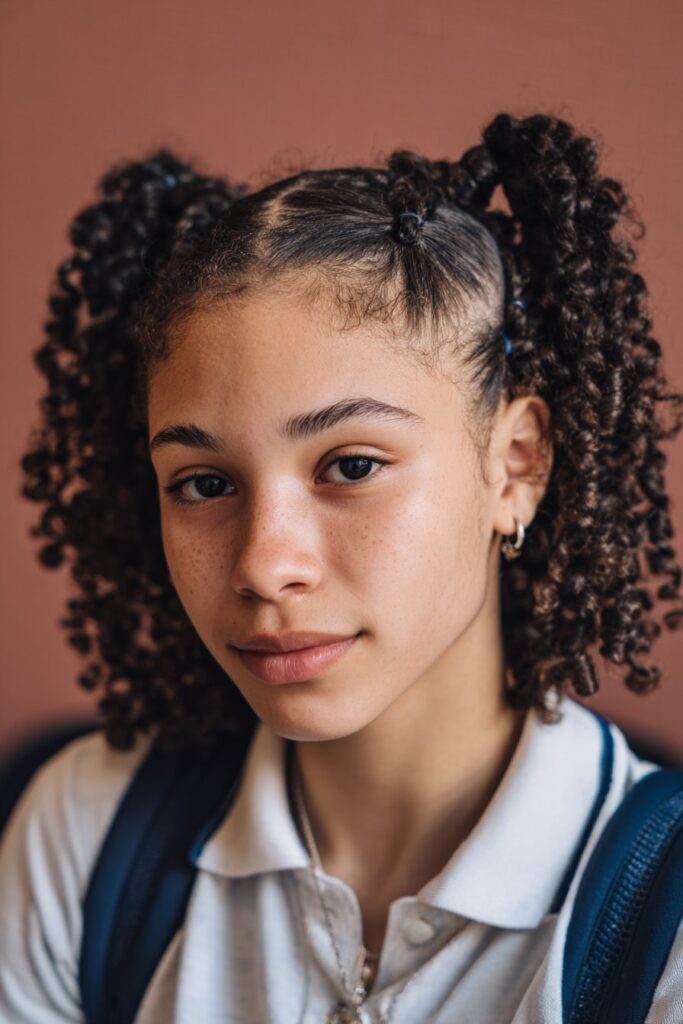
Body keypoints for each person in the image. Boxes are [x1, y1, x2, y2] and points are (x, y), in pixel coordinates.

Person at [0, 111, 681, 1023]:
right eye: (203, 482)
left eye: (351, 466)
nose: (264, 564)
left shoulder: (661, 916)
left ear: (514, 464)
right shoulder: (83, 838)